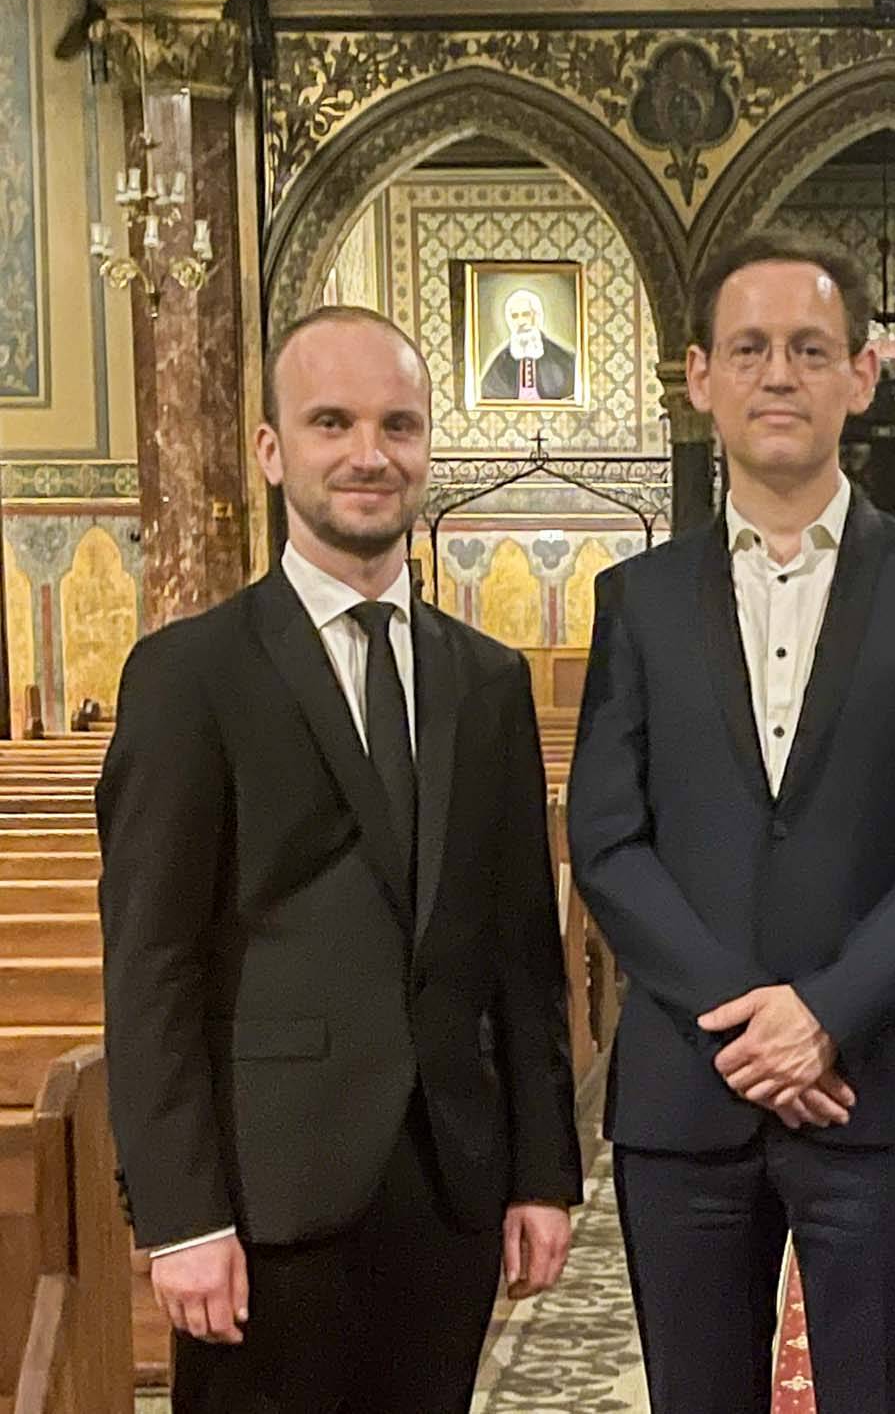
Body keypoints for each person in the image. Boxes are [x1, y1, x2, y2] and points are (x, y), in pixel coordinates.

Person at [98, 304, 581, 1413]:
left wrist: (541, 1172)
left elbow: (520, 950)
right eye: (332, 423)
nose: (370, 453)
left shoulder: (487, 679)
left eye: (398, 425)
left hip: (447, 1187)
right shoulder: (190, 675)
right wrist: (181, 1216)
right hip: (265, 1198)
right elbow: (151, 963)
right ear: (272, 450)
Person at [567, 231, 895, 1414]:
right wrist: (745, 1022)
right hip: (686, 1092)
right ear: (698, 376)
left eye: (810, 350)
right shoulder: (637, 599)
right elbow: (607, 838)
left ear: (859, 376)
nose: (779, 374)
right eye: (750, 348)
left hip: (879, 1086)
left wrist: (823, 1013)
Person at [481, 286, 579, 401]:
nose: (521, 322)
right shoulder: (501, 360)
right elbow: (488, 393)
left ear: (536, 316)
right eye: (515, 316)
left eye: (526, 314)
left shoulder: (561, 357)